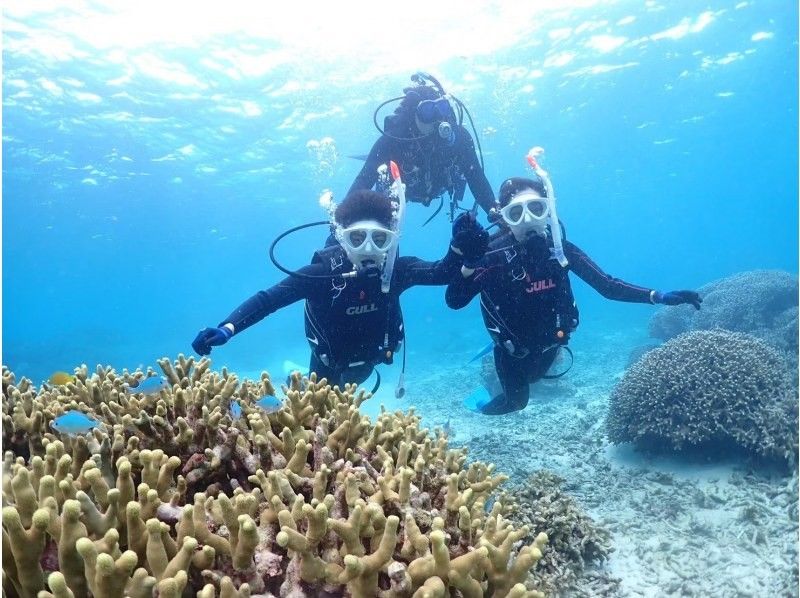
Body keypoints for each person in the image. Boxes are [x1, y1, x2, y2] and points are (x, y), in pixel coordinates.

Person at [446, 176, 702, 415]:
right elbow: (454, 300)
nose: (528, 220)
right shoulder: (492, 255)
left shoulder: (559, 250)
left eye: (536, 208)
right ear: (505, 219)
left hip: (551, 343)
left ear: (548, 211)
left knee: (535, 378)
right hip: (512, 351)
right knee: (517, 403)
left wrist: (657, 296)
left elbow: (607, 286)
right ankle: (481, 405)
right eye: (516, 213)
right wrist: (468, 265)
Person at [192, 188, 488, 391]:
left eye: (380, 240)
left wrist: (460, 250)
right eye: (357, 238)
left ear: (391, 241)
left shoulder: (395, 271)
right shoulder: (322, 274)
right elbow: (269, 300)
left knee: (348, 399)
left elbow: (440, 272)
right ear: (342, 238)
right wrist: (228, 327)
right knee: (318, 416)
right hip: (327, 366)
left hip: (370, 361)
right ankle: (295, 376)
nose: (369, 248)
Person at [348, 73, 495, 219]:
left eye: (442, 107)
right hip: (402, 191)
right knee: (380, 217)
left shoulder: (459, 138)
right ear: (414, 114)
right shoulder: (392, 141)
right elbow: (364, 180)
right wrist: (345, 218)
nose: (438, 118)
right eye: (428, 111)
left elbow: (476, 177)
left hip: (438, 187)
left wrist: (494, 211)